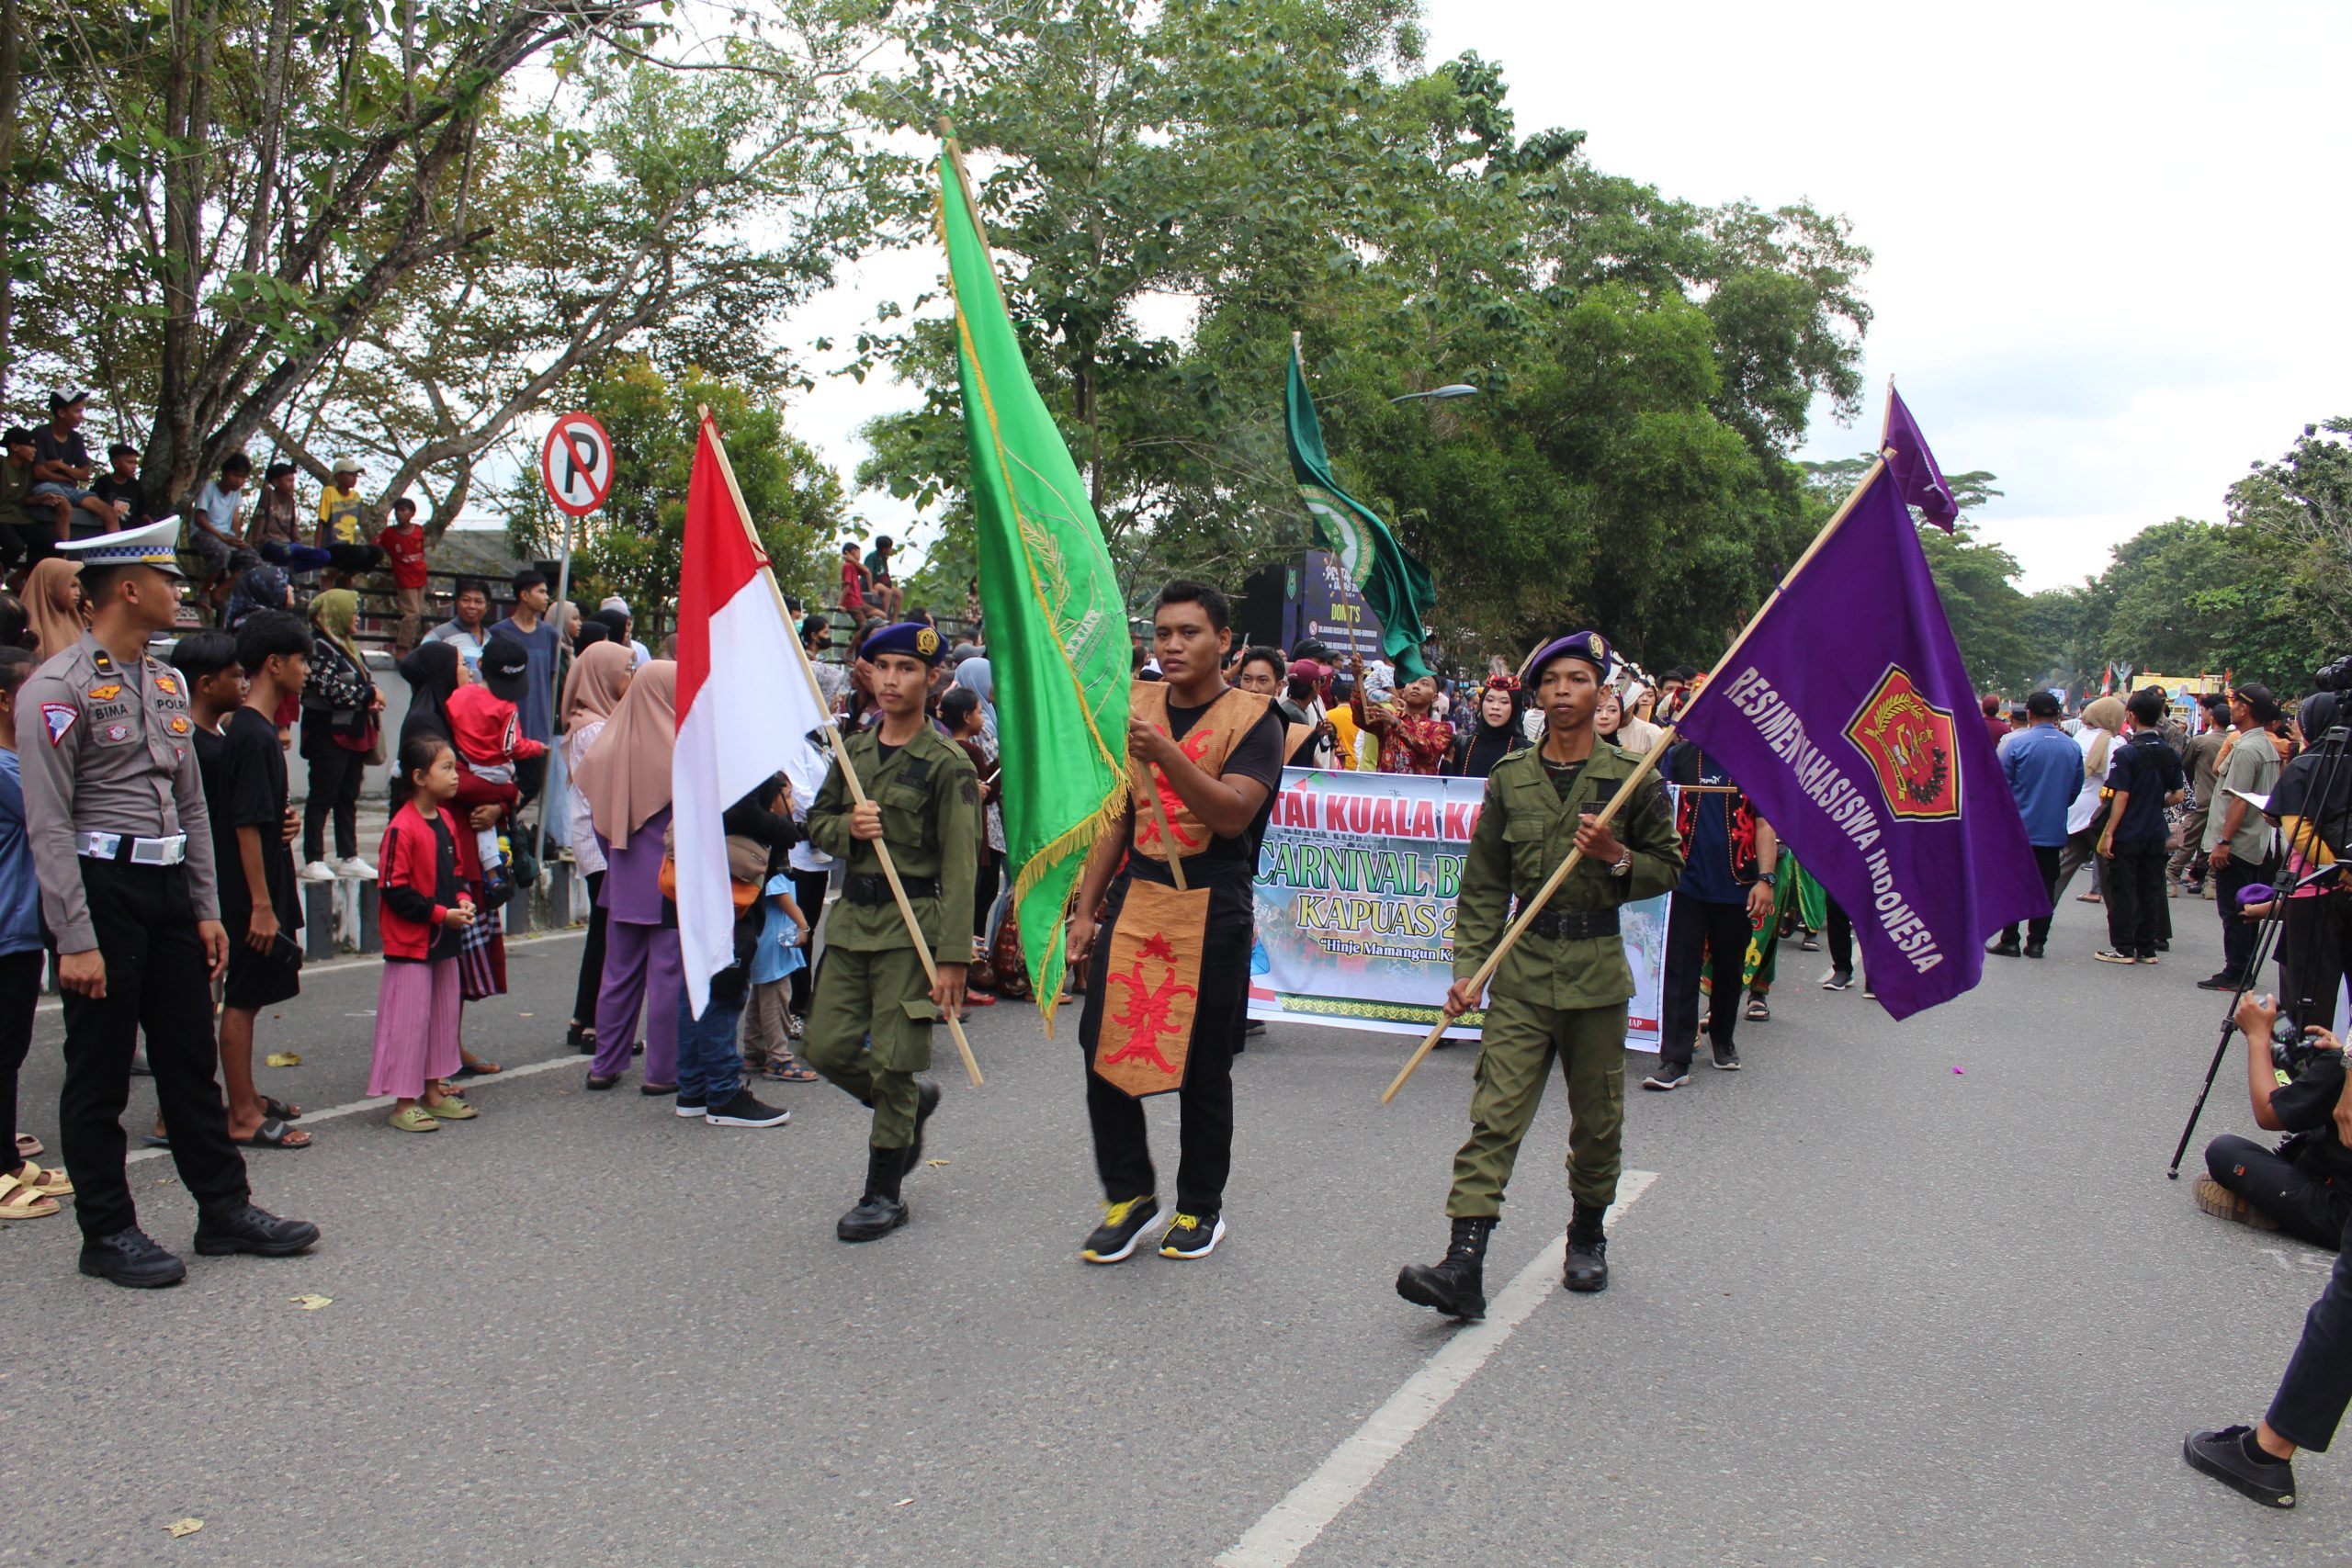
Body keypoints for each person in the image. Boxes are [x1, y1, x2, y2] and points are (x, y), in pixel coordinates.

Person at [15, 517, 318, 1286]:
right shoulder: (56, 689)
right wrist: (74, 934)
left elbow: (189, 807)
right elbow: (48, 823)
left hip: (169, 887)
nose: (177, 591)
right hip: (102, 888)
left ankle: (223, 1209)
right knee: (101, 1071)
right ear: (127, 588)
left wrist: (207, 906)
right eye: (166, 581)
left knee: (187, 1059)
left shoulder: (168, 683)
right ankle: (108, 1231)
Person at [1396, 631, 1684, 1317]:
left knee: (1598, 1119)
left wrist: (1617, 856)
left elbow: (1668, 865)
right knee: (1493, 1115)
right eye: (1550, 679)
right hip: (1522, 971)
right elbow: (1484, 887)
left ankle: (1587, 1235)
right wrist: (1470, 971)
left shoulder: (1630, 778)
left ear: (1601, 692)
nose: (1562, 690)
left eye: (1577, 678)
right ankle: (1463, 1261)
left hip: (1595, 973)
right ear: (1536, 692)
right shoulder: (1510, 779)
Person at [1062, 581, 1283, 1265]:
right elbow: (1120, 815)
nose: (1173, 645)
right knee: (1102, 1044)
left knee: (1202, 1064)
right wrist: (1086, 910)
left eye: (1189, 632)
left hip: (1213, 897)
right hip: (1142, 892)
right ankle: (1129, 1196)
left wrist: (1167, 754)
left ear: (1224, 640)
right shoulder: (1136, 703)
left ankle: (1199, 1207)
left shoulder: (1258, 718)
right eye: (1163, 633)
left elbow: (1231, 814)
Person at [800, 620, 974, 1243]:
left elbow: (961, 867)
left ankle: (883, 1193)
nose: (893, 680)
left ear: (932, 680)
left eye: (907, 669)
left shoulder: (946, 763)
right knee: (824, 1045)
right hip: (851, 923)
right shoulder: (854, 751)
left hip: (911, 928)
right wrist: (849, 825)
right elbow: (816, 822)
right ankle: (908, 1103)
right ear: (868, 675)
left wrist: (954, 959)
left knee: (896, 1061)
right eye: (883, 668)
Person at [2184, 996, 2352, 1510]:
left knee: (2346, 1309)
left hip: (2329, 1200)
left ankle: (2268, 1450)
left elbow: (2272, 1112)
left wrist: (2260, 1037)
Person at [177, 622, 313, 1149]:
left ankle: (246, 1096)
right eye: (299, 660)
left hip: (252, 880)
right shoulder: (253, 734)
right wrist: (260, 905)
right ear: (274, 665)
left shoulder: (247, 731)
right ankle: (241, 1115)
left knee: (249, 994)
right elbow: (243, 824)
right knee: (242, 998)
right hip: (245, 889)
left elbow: (258, 815)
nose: (305, 670)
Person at [575, 661, 684, 1095]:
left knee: (617, 977)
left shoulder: (608, 746)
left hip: (621, 879)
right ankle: (661, 1072)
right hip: (668, 884)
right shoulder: (680, 752)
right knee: (666, 977)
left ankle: (605, 1064)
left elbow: (597, 824)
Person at [1648, 739, 1777, 1089]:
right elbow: (1660, 809)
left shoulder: (1754, 757)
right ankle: (1675, 1058)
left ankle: (1722, 1038)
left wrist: (1766, 878)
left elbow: (1766, 823)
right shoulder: (1678, 756)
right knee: (1680, 970)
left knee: (1729, 969)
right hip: (1685, 882)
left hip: (1737, 884)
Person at [368, 734, 479, 1133]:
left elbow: (459, 873)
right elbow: (394, 890)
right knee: (410, 1021)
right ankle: (402, 1102)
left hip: (443, 938)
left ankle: (433, 1092)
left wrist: (463, 899)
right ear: (418, 777)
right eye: (446, 768)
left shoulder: (446, 820)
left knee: (440, 1018)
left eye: (455, 767)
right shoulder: (402, 828)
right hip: (412, 944)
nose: (455, 776)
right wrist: (439, 914)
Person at [673, 775, 797, 1128]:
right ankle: (724, 1094)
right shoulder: (736, 743)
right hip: (726, 882)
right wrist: (783, 828)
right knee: (724, 986)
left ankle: (695, 1089)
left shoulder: (703, 738)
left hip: (700, 873)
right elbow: (740, 811)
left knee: (698, 983)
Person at [0, 646, 70, 1219]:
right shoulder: (8, 769)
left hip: (20, 928)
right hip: (5, 929)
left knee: (11, 1049)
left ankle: (8, 1157)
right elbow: (60, 807)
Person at [558, 641, 632, 1055]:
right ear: (603, 675)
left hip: (599, 839)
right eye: (625, 669)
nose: (630, 677)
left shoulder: (598, 721)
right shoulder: (594, 728)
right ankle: (592, 1024)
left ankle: (586, 1019)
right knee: (607, 934)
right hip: (599, 843)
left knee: (603, 932)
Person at [1986, 691, 2083, 960]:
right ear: (2058, 715)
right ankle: (2038, 941)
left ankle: (2010, 939)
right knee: (2046, 886)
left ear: (2029, 714)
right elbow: (2074, 790)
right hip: (2052, 829)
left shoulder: (2016, 745)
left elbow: (2001, 787)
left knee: (2013, 884)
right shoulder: (2071, 747)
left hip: (2018, 829)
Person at [2201, 684, 2286, 991]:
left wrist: (2224, 841)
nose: (2231, 708)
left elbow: (2238, 799)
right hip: (2253, 839)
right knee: (2246, 907)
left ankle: (2236, 971)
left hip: (2237, 841)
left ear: (2245, 709)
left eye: (2235, 703)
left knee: (2234, 909)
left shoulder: (2248, 747)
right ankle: (2243, 969)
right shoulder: (2264, 744)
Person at [2095, 687, 2187, 964]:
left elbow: (2121, 795)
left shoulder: (2127, 754)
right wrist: (2155, 802)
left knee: (2123, 888)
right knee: (2150, 888)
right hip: (2155, 831)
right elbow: (2179, 795)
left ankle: (2123, 947)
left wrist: (2109, 832)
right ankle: (2147, 948)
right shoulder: (2170, 753)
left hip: (2128, 830)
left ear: (2131, 716)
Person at [297, 589, 381, 881]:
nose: (357, 617)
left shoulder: (347, 647)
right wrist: (369, 693)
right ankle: (314, 858)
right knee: (323, 795)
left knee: (348, 796)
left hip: (354, 732)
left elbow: (356, 686)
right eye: (353, 611)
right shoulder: (318, 648)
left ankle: (349, 855)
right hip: (328, 734)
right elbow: (335, 692)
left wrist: (367, 694)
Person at [491, 570, 559, 799]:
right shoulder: (500, 632)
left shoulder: (550, 634)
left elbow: (552, 677)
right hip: (506, 723)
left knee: (531, 783)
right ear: (524, 595)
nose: (546, 597)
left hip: (538, 725)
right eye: (541, 592)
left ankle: (506, 820)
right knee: (501, 783)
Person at [2053, 695, 2127, 904]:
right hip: (2099, 816)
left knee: (2062, 870)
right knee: (2110, 875)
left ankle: (2039, 919)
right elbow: (2114, 781)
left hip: (2075, 813)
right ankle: (2120, 925)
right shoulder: (2111, 743)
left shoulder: (2079, 737)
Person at [30, 390, 122, 536]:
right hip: (44, 486)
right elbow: (39, 472)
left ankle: (113, 556)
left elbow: (84, 474)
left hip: (69, 488)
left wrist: (60, 466)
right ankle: (63, 557)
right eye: (77, 411)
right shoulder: (41, 433)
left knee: (109, 512)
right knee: (65, 508)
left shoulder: (76, 438)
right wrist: (67, 477)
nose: (81, 416)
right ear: (61, 413)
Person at [1350, 655, 1453, 774]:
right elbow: (1360, 718)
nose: (1416, 686)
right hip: (1386, 791)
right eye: (1412, 681)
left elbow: (1428, 751)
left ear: (1434, 697)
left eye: (1424, 684)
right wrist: (1358, 680)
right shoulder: (1387, 719)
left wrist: (1396, 723)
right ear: (1403, 691)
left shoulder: (1441, 728)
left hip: (1420, 792)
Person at [2175, 694, 2232, 895]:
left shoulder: (2200, 741)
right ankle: (2212, 883)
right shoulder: (2236, 742)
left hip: (2202, 797)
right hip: (2226, 801)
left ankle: (2171, 878)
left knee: (2188, 841)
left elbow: (2185, 765)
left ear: (2212, 718)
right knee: (2217, 842)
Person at [188, 454, 262, 598]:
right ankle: (204, 591)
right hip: (203, 533)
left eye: (243, 477)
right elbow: (200, 519)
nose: (238, 481)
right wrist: (222, 537)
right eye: (235, 475)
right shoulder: (209, 489)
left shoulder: (236, 494)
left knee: (254, 561)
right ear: (225, 473)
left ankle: (221, 591)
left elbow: (235, 517)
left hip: (226, 536)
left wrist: (238, 540)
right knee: (222, 553)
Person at [246, 462, 333, 575]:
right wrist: (256, 544)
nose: (292, 484)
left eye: (293, 480)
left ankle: (285, 573)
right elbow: (260, 519)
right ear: (276, 482)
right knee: (287, 550)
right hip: (270, 542)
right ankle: (279, 575)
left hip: (289, 544)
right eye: (288, 481)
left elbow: (293, 525)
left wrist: (298, 543)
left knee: (324, 555)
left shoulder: (290, 500)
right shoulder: (268, 494)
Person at [377, 497, 430, 654]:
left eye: (403, 510)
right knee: (412, 613)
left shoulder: (418, 530)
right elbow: (376, 545)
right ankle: (402, 646)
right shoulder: (390, 533)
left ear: (412, 513)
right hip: (404, 576)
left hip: (420, 575)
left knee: (417, 613)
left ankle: (411, 644)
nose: (399, 514)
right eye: (397, 511)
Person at [1446, 675, 1526, 779]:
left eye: (1504, 702)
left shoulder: (1526, 751)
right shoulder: (1463, 746)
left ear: (1515, 707)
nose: (1495, 707)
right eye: (1489, 700)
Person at [424, 577, 494, 671]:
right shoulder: (439, 635)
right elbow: (417, 668)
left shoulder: (490, 638)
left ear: (487, 607)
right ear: (457, 602)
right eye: (466, 600)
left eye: (478, 601)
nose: (472, 606)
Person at [25, 557, 84, 662]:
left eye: (78, 586)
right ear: (51, 586)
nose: (78, 593)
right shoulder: (27, 630)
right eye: (72, 586)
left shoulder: (76, 622)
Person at [94, 444, 149, 530]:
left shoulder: (135, 485)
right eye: (130, 462)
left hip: (131, 530)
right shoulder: (103, 482)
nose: (134, 467)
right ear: (115, 463)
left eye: (135, 463)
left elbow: (143, 513)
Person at [864, 535, 904, 615]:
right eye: (889, 548)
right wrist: (871, 588)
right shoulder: (872, 556)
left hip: (882, 583)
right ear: (883, 549)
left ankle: (894, 618)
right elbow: (868, 573)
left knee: (899, 593)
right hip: (873, 583)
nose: (891, 550)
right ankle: (884, 616)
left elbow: (884, 573)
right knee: (888, 592)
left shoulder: (884, 558)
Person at [837, 541, 869, 616]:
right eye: (859, 553)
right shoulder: (847, 566)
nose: (860, 556)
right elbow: (846, 586)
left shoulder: (854, 565)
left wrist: (853, 560)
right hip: (852, 601)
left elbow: (867, 571)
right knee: (864, 625)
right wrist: (840, 603)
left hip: (859, 601)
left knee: (880, 615)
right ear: (853, 552)